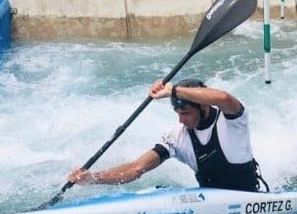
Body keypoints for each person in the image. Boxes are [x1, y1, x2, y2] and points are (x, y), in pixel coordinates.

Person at [67, 78, 268, 192]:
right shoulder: (177, 136)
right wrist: (94, 177)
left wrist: (174, 90)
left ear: (204, 106)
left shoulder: (232, 121)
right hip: (212, 206)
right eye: (178, 114)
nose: (181, 120)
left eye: (186, 113)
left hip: (251, 202)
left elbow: (223, 97)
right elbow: (137, 168)